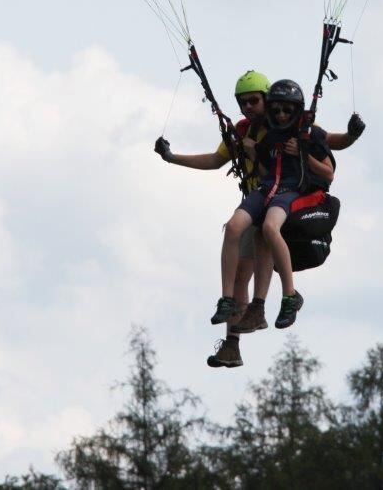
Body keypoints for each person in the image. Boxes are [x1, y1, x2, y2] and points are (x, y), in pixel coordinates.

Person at [156, 72, 365, 367]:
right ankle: (233, 343)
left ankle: (267, 306)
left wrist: (352, 134)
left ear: (268, 99)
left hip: (286, 202)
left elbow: (329, 143)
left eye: (254, 101)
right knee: (241, 267)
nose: (248, 107)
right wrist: (172, 157)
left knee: (260, 243)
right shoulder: (244, 132)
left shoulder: (292, 124)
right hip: (259, 199)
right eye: (242, 103)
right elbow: (215, 161)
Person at [211, 79, 333, 332]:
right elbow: (226, 160)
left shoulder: (307, 132)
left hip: (289, 191)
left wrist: (304, 151)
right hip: (265, 189)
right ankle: (227, 300)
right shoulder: (259, 130)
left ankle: (290, 295)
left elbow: (331, 158)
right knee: (234, 226)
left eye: (286, 110)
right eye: (276, 110)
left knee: (269, 227)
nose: (280, 115)